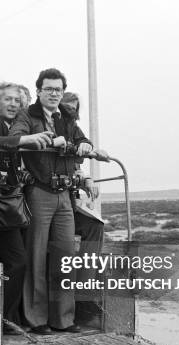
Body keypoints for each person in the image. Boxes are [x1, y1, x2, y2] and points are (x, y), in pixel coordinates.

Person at [9, 68, 93, 334]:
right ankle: (37, 320)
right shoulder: (27, 115)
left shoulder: (66, 115)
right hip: (39, 192)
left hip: (64, 195)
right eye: (49, 89)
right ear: (39, 91)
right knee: (36, 257)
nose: (54, 94)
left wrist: (85, 146)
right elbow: (15, 139)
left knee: (65, 257)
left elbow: (82, 139)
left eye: (58, 89)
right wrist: (39, 140)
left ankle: (64, 319)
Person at [0, 82, 52, 329]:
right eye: (8, 99)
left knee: (12, 260)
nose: (13, 104)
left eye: (17, 101)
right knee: (14, 261)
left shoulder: (11, 125)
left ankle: (7, 317)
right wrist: (25, 140)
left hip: (7, 201)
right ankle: (3, 318)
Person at [61, 92, 108, 316]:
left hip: (70, 199)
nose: (70, 111)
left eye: (73, 108)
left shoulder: (73, 131)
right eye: (65, 107)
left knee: (94, 227)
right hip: (49, 200)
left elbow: (77, 167)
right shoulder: (46, 129)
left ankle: (84, 292)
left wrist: (86, 179)